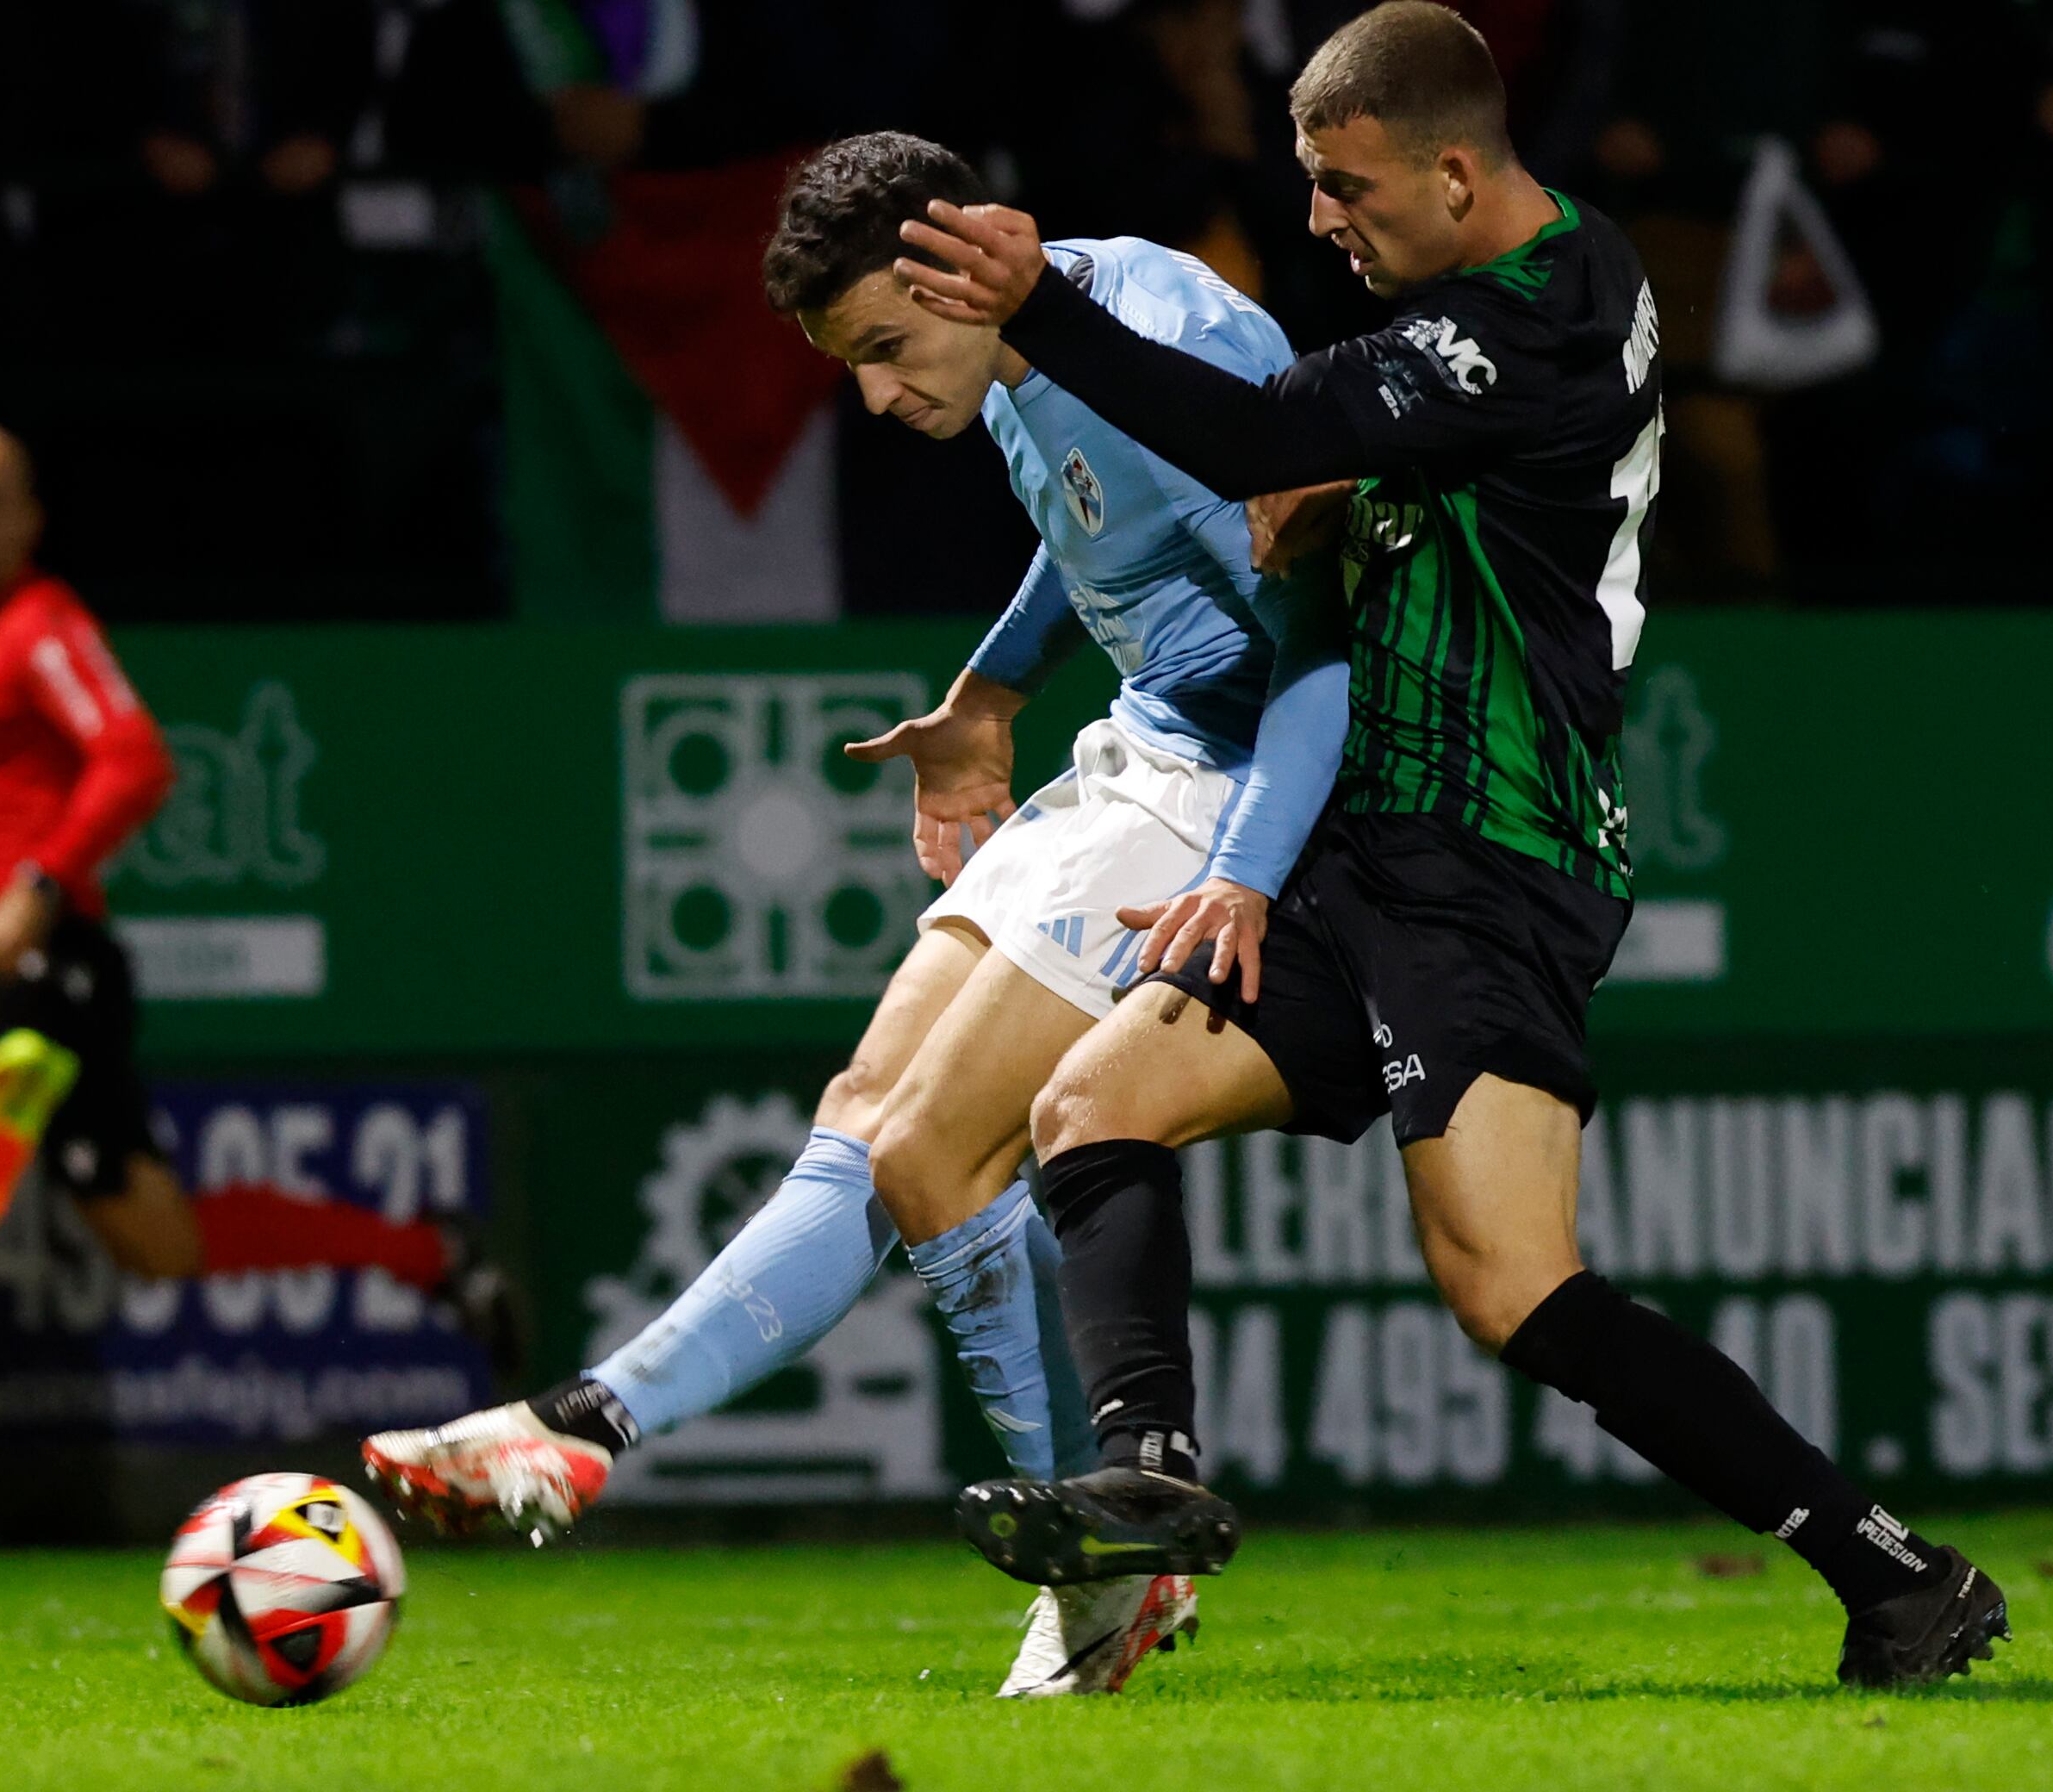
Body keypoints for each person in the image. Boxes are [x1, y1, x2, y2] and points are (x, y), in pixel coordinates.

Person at [894, 3, 2011, 1689]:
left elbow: (1270, 434)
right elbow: (1358, 488)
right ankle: (1153, 1475)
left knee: (1513, 1284)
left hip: (1496, 854)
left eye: (1346, 189)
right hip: (1371, 855)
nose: (1326, 222)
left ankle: (1892, 1570)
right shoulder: (1468, 320)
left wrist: (1035, 301)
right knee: (1092, 1105)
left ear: (1456, 169)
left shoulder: (1553, 306)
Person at [361, 132, 1347, 1697]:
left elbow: (1332, 635)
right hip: (1142, 751)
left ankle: (1091, 1566)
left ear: (954, 261)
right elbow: (1099, 525)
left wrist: (1250, 865)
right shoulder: (1041, 345)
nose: (882, 399)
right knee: (867, 1112)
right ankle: (602, 1429)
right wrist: (990, 689)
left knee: (929, 1151)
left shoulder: (1157, 345)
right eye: (856, 368)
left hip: (1224, 788)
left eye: (888, 348)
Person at [0, 424, 476, 1546]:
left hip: (33, 979)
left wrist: (40, 883)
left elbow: (133, 755)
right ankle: (426, 1253)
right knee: (156, 1246)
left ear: (29, 519)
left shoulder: (40, 627)